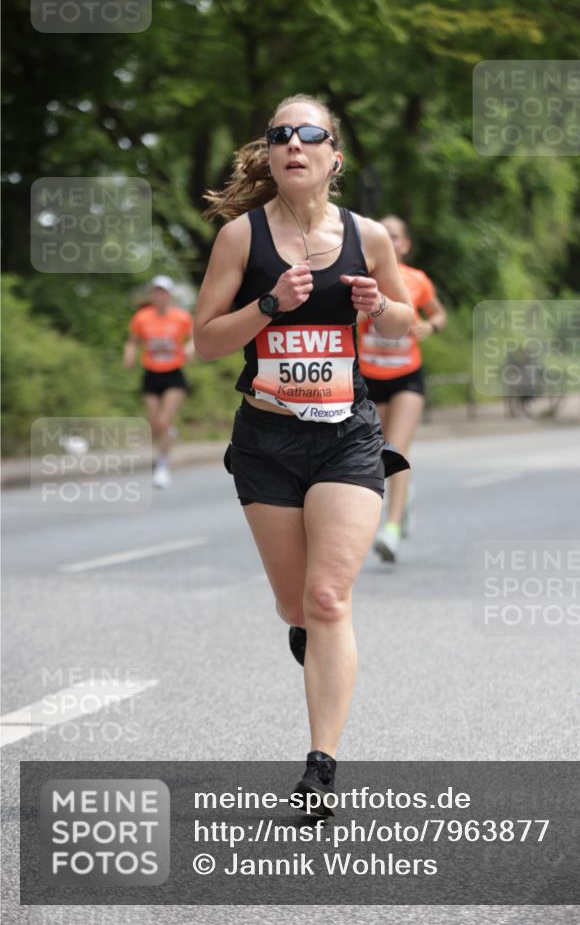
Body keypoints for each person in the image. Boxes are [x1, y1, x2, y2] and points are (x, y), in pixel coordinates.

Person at [195, 94, 413, 812]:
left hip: (346, 435)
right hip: (266, 437)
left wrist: (379, 309)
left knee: (328, 597)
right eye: (279, 134)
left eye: (308, 134)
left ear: (332, 157)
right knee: (295, 602)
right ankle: (311, 636)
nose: (293, 143)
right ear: (271, 154)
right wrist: (268, 307)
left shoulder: (367, 236)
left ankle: (320, 767)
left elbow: (410, 317)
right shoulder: (240, 239)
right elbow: (205, 340)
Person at [358, 216, 446, 563]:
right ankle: (403, 496)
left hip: (407, 374)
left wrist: (429, 327)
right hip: (369, 375)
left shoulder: (417, 280)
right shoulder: (361, 279)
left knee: (398, 447)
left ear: (405, 245)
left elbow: (439, 315)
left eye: (395, 236)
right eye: (383, 235)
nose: (389, 241)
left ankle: (391, 529)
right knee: (378, 451)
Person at [123, 275, 194, 488]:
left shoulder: (181, 317)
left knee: (163, 421)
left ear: (169, 295)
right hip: (151, 374)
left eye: (163, 292)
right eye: (156, 292)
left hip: (174, 374)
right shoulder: (142, 317)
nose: (159, 296)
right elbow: (132, 342)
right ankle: (167, 436)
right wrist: (129, 354)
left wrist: (190, 350)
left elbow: (195, 338)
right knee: (154, 424)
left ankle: (162, 465)